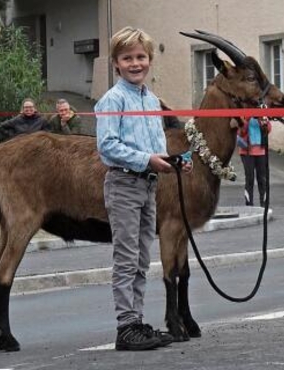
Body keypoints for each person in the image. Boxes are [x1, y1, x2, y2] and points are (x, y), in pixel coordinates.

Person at [95, 27, 191, 351]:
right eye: (127, 58)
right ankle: (126, 326)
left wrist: (174, 161)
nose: (135, 63)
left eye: (140, 57)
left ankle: (136, 320)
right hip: (123, 183)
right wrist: (146, 159)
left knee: (141, 258)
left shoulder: (151, 100)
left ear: (149, 59)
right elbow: (107, 146)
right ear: (116, 64)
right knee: (125, 258)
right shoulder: (113, 100)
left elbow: (157, 144)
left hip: (149, 186)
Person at [236, 116, 272, 207]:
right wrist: (247, 120)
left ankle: (264, 204)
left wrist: (262, 120)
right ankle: (249, 204)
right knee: (249, 178)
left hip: (261, 151)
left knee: (262, 178)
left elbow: (268, 129)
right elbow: (240, 132)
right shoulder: (244, 115)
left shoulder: (261, 115)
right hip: (246, 151)